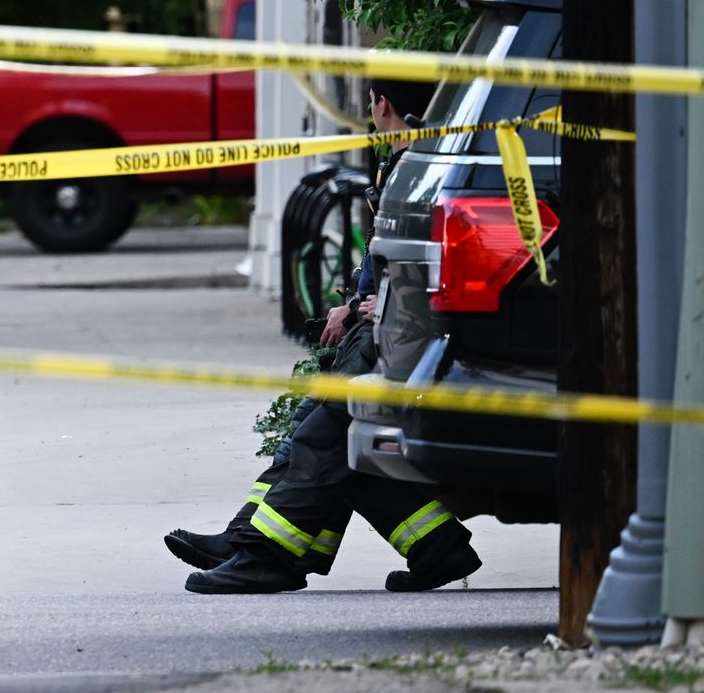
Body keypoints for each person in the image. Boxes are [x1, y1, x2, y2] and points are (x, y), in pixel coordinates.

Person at [166, 77, 482, 593]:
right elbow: (388, 255)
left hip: (401, 336)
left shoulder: (425, 169)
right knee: (332, 432)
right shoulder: (413, 163)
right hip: (385, 327)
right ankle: (434, 547)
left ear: (383, 104)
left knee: (327, 432)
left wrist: (389, 303)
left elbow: (438, 255)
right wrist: (356, 302)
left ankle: (265, 554)